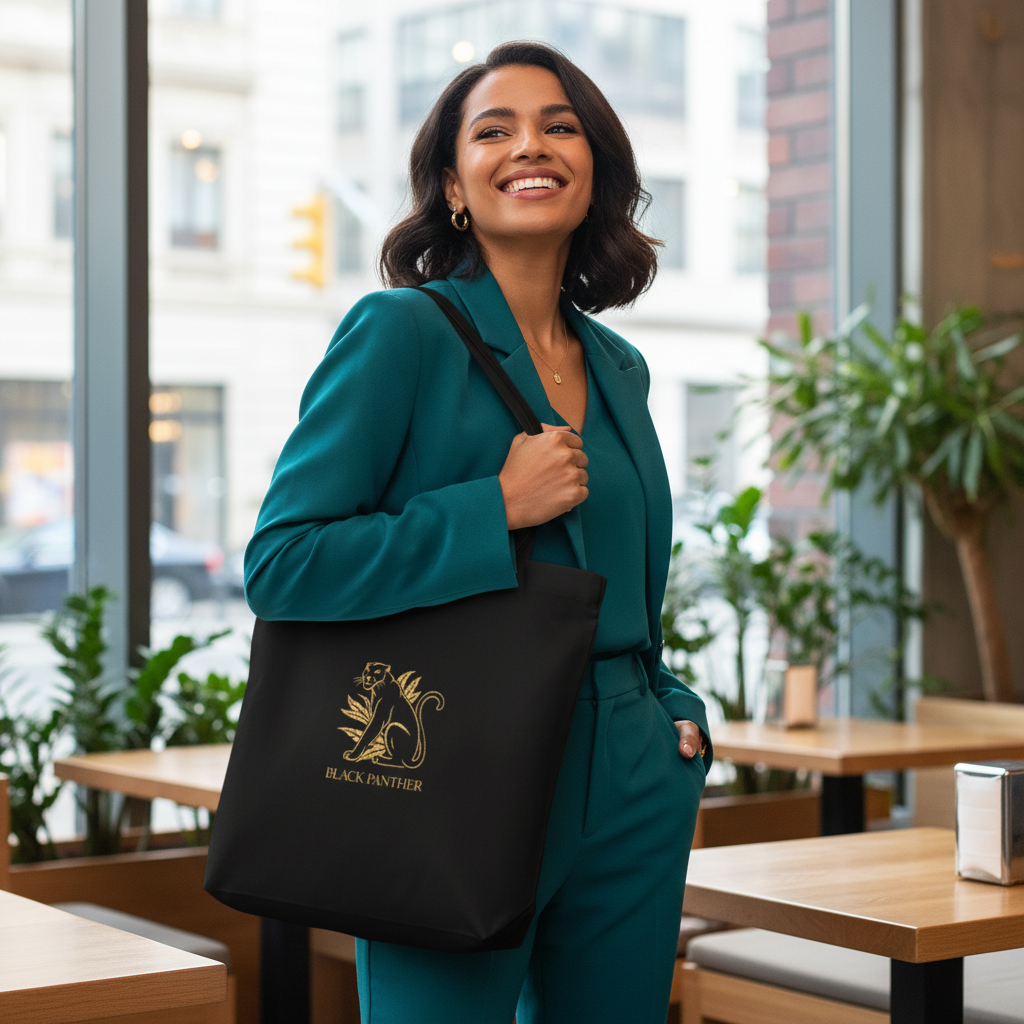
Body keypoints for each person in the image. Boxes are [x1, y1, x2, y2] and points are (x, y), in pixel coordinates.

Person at [245, 40, 712, 1024]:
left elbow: (625, 583)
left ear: (595, 177)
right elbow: (283, 563)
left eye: (558, 126)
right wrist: (489, 508)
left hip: (632, 767)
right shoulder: (400, 332)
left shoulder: (618, 365)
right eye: (491, 131)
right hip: (456, 760)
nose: (527, 146)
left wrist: (669, 710)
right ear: (453, 187)